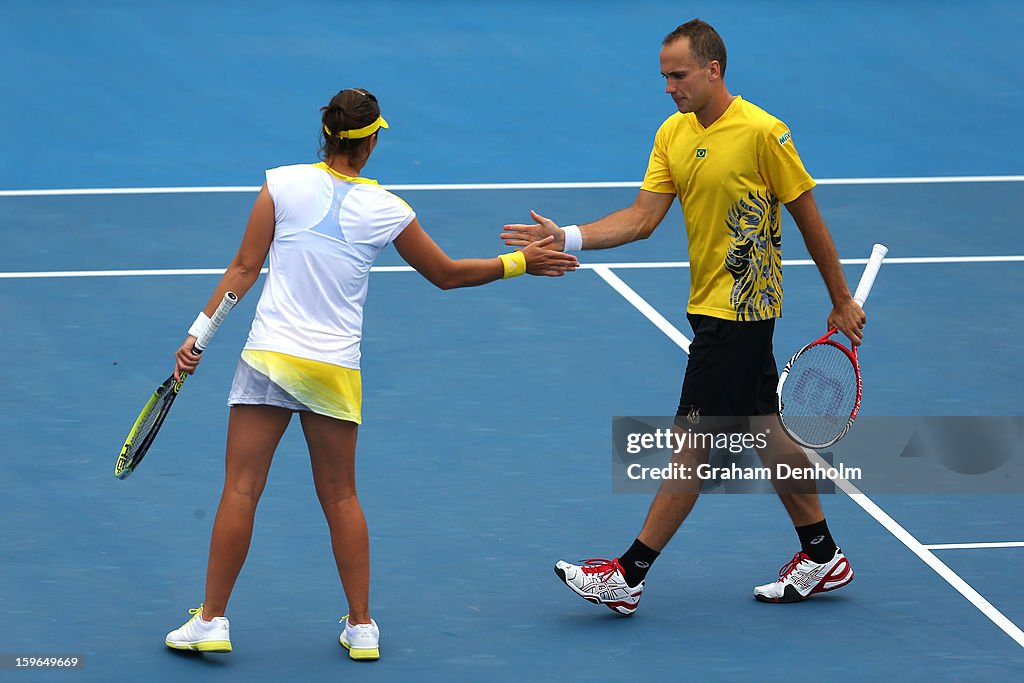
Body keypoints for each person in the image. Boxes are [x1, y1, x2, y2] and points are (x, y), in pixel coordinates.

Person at [163, 87, 578, 659]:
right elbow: (448, 275)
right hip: (333, 370)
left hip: (270, 358)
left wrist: (199, 334)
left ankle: (211, 621)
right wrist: (519, 263)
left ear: (327, 135)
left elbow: (243, 268)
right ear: (372, 140)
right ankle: (361, 626)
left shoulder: (280, 184)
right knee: (340, 496)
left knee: (240, 489)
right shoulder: (388, 209)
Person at [501, 19, 862, 613]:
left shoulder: (764, 134)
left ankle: (629, 574)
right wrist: (568, 235)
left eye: (679, 75)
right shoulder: (672, 132)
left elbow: (809, 217)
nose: (669, 86)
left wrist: (840, 297)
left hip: (742, 311)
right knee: (767, 432)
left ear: (713, 69)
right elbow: (642, 219)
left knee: (691, 445)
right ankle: (822, 554)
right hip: (707, 305)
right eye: (665, 76)